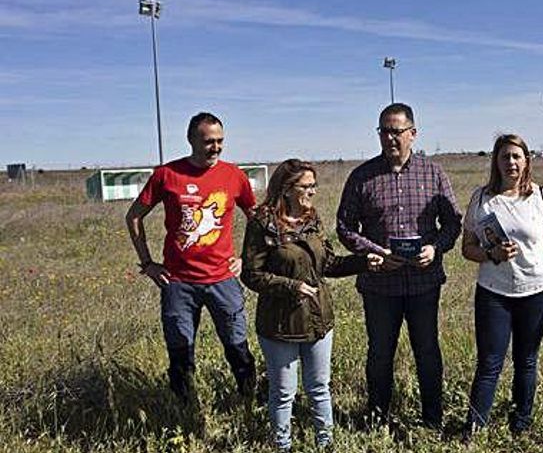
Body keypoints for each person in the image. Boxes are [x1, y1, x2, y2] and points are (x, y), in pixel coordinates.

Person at [241, 159, 383, 450]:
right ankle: (282, 445)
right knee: (284, 392)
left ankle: (326, 443)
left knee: (319, 388)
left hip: (318, 318)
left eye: (314, 185)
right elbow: (251, 274)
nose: (313, 191)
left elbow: (327, 263)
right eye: (306, 186)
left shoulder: (312, 219)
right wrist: (291, 287)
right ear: (287, 188)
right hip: (280, 323)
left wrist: (362, 262)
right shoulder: (262, 223)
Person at [336, 102, 462, 428]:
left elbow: (452, 223)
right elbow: (345, 227)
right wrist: (374, 253)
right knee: (379, 355)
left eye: (398, 132)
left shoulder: (433, 173)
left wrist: (435, 248)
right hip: (380, 285)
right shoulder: (362, 176)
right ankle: (378, 419)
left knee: (428, 353)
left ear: (413, 134)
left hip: (424, 282)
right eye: (385, 131)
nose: (391, 138)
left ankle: (432, 420)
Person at [125, 112, 256, 403]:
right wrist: (147, 264)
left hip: (223, 280)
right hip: (178, 283)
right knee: (180, 355)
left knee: (238, 349)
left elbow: (256, 218)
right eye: (209, 141)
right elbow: (134, 217)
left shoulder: (234, 175)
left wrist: (246, 258)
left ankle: (250, 402)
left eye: (220, 141)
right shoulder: (167, 175)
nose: (216, 147)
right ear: (191, 140)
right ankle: (184, 409)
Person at [461, 134, 543, 436]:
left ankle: (520, 426)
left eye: (516, 156)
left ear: (526, 161)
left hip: (536, 291)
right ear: (495, 162)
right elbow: (467, 248)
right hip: (493, 294)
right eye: (504, 157)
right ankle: (474, 429)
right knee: (489, 364)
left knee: (527, 360)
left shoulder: (541, 196)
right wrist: (491, 254)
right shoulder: (482, 199)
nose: (510, 162)